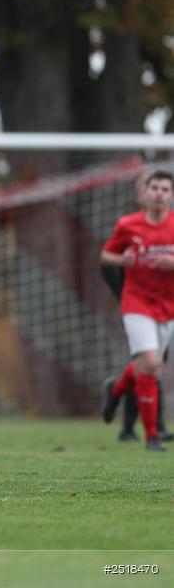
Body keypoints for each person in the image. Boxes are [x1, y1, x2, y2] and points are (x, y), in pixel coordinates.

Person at [100, 170, 174, 451]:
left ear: (171, 195)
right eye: (154, 187)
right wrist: (123, 259)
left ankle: (116, 389)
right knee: (152, 364)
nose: (158, 193)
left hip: (168, 307)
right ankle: (152, 436)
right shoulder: (128, 225)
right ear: (144, 194)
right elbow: (105, 256)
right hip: (136, 303)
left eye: (164, 189)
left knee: (147, 366)